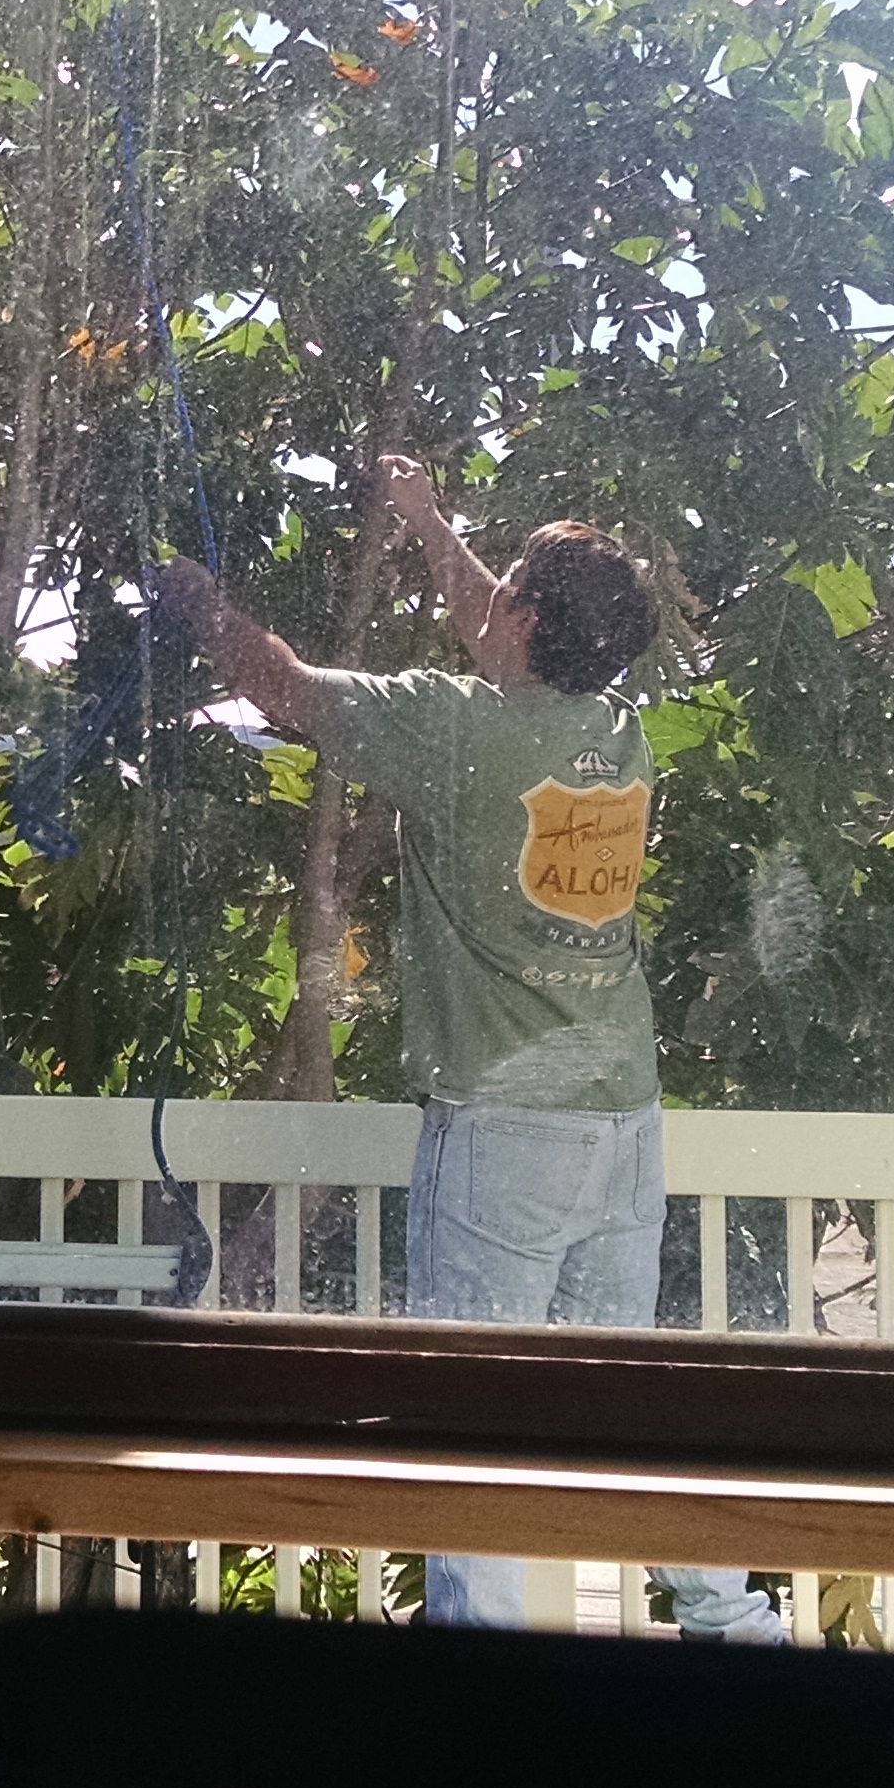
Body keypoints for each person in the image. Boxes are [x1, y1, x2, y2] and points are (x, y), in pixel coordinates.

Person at [157, 454, 786, 1643]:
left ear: (529, 620)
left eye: (508, 590)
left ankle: (481, 1691)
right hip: (622, 1119)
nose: (487, 599)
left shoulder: (454, 732)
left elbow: (281, 684)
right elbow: (502, 625)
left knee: (471, 1415)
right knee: (626, 1401)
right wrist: (427, 520)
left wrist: (198, 603)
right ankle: (735, 1628)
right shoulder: (616, 731)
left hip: (506, 1135)